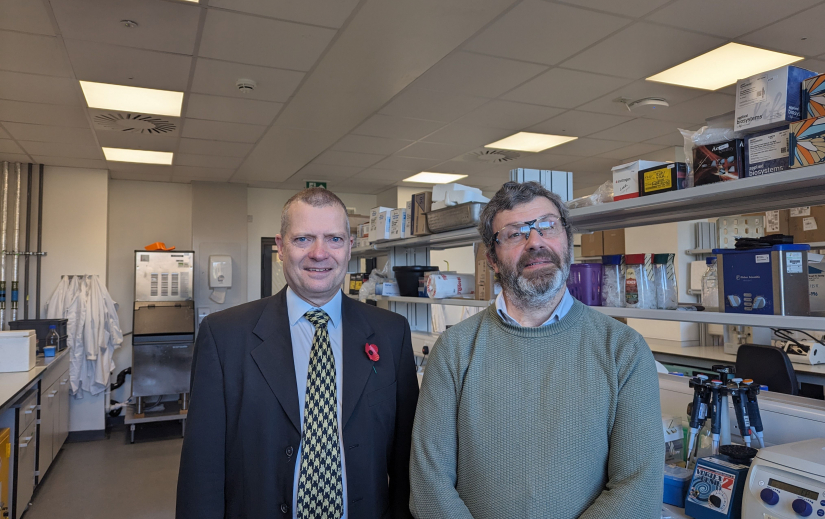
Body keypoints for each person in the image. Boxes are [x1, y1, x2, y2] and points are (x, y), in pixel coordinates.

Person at [410, 181, 663, 519]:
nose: (536, 242)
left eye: (547, 226)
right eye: (516, 234)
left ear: (567, 241)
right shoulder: (454, 351)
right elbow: (430, 485)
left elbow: (639, 486)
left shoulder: (623, 350)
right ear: (492, 260)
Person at [177, 187, 419, 519]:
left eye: (334, 239)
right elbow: (201, 466)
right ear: (280, 247)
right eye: (303, 239)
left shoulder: (392, 334)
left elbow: (407, 460)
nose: (320, 254)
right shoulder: (225, 336)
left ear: (349, 247)